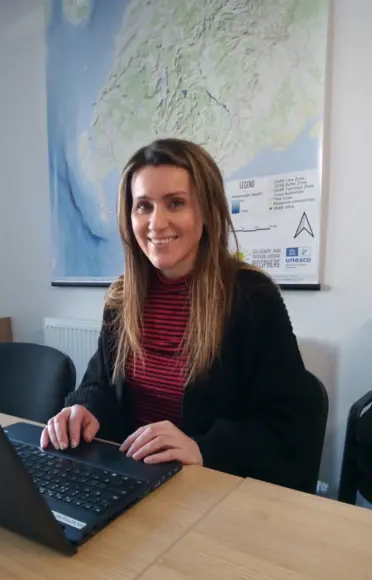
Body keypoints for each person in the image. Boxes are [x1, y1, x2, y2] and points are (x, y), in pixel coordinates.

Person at [41, 137, 318, 491]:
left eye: (175, 203)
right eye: (143, 206)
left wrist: (203, 447)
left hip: (213, 491)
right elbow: (100, 383)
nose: (157, 223)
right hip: (133, 481)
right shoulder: (122, 298)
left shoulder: (252, 299)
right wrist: (84, 408)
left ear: (207, 211)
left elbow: (290, 426)